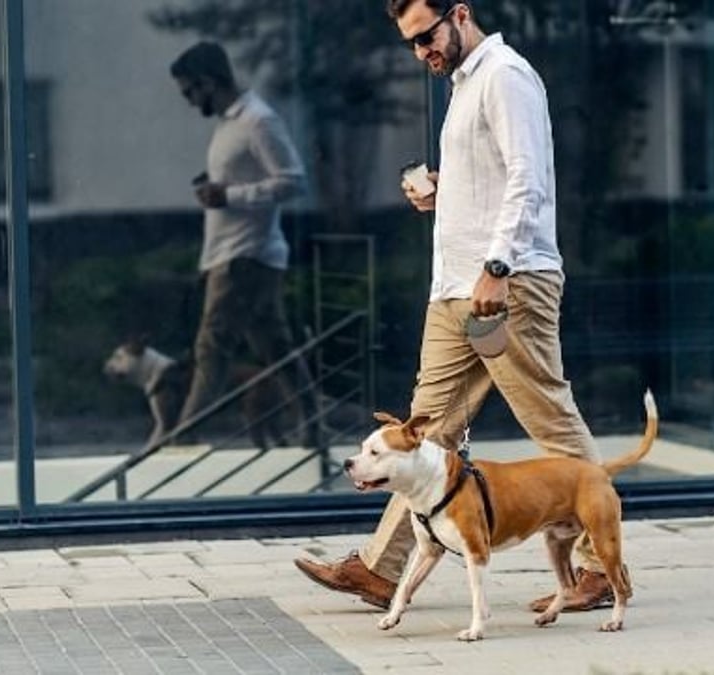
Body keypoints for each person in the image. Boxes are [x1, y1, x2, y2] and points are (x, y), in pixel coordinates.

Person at [294, 0, 624, 614]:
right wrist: (445, 193)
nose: (423, 52)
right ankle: (380, 570)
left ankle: (598, 568)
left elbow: (529, 178)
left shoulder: (505, 75)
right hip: (452, 288)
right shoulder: (464, 85)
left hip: (509, 283)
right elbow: (494, 179)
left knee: (550, 418)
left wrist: (498, 266)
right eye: (412, 44)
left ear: (460, 13)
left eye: (427, 36)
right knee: (423, 428)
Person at [169, 42, 317, 446]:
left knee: (211, 346)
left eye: (189, 92)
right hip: (234, 253)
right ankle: (313, 426)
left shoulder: (258, 121)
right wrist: (220, 191)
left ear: (208, 81)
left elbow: (294, 181)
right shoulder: (230, 124)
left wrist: (231, 196)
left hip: (245, 255)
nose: (188, 101)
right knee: (276, 346)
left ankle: (182, 438)